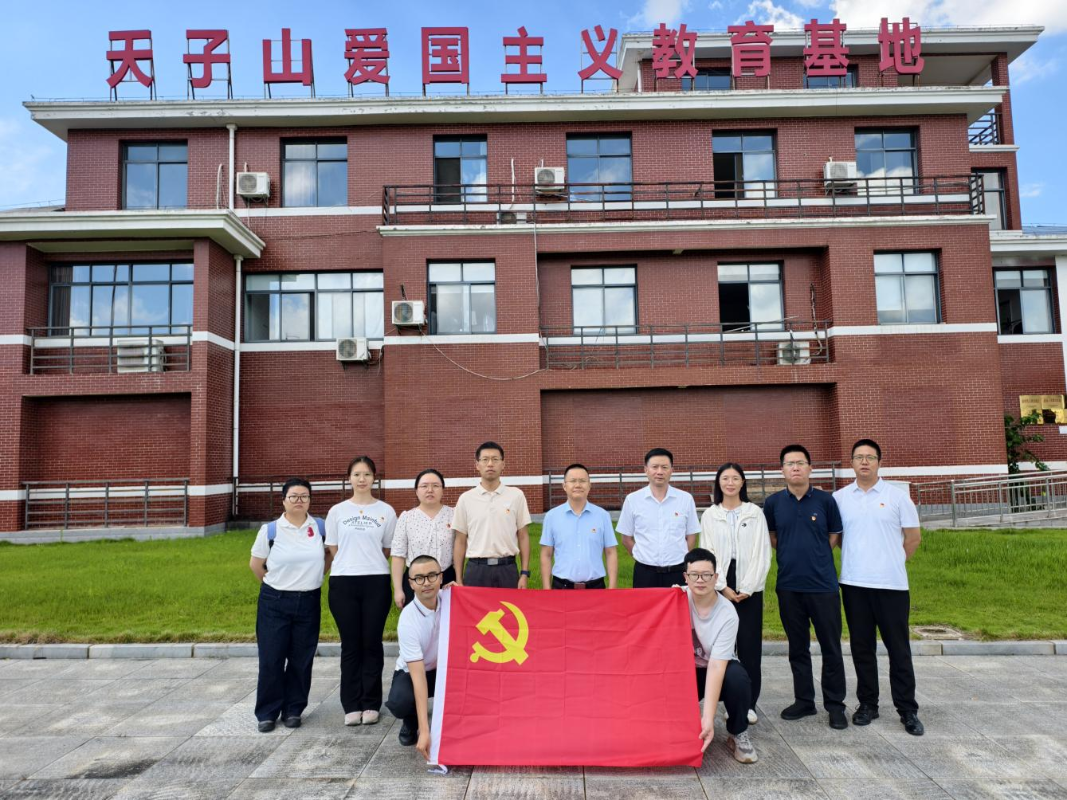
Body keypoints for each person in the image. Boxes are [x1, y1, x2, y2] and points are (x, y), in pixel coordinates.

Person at [834, 439, 924, 736]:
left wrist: (893, 560)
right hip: (854, 584)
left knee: (899, 649)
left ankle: (907, 710)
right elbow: (838, 539)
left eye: (870, 457)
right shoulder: (840, 498)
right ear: (851, 463)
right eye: (859, 457)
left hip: (891, 586)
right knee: (862, 648)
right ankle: (867, 704)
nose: (864, 462)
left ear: (879, 462)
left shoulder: (897, 497)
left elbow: (912, 538)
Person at [763, 444, 848, 729]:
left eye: (800, 463)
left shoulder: (826, 501)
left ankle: (835, 705)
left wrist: (816, 554)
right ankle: (804, 701)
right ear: (782, 470)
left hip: (823, 586)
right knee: (797, 647)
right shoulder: (773, 503)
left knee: (830, 647)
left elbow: (834, 535)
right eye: (790, 463)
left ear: (810, 468)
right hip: (789, 586)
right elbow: (773, 538)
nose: (796, 467)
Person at [249, 477, 330, 733]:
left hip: (308, 600)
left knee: (301, 658)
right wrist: (277, 584)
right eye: (293, 496)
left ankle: (294, 709)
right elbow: (256, 565)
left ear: (310, 500)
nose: (299, 501)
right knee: (271, 658)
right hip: (275, 601)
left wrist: (314, 577)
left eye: (304, 496)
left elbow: (328, 557)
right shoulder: (271, 530)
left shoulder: (320, 527)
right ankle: (267, 712)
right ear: (283, 500)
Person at [325, 456, 397, 727]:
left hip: (376, 581)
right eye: (357, 474)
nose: (362, 479)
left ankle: (371, 703)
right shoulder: (337, 511)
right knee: (351, 644)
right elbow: (333, 548)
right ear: (350, 478)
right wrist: (351, 563)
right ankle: (351, 703)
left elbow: (387, 548)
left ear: (374, 478)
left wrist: (368, 562)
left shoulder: (386, 511)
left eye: (367, 474)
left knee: (372, 643)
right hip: (344, 582)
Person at [699, 462, 771, 725]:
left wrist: (748, 588)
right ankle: (729, 700)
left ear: (743, 482)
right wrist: (722, 587)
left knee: (750, 647)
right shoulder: (710, 515)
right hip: (719, 583)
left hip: (749, 583)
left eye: (735, 478)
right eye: (725, 478)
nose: (730, 483)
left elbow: (762, 552)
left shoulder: (755, 513)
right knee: (722, 646)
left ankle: (748, 704)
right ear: (719, 483)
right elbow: (707, 551)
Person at [679, 548, 758, 764]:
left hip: (716, 668)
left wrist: (708, 718)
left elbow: (716, 666)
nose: (700, 580)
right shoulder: (676, 598)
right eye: (694, 575)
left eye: (706, 575)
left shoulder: (727, 613)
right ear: (686, 577)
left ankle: (738, 731)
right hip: (685, 670)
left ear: (716, 578)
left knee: (738, 679)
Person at [385, 554, 448, 760]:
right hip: (415, 672)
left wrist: (460, 590)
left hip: (444, 669)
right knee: (400, 702)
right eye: (419, 578)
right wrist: (425, 730)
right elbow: (418, 677)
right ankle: (410, 722)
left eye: (432, 575)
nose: (426, 583)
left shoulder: (450, 600)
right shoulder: (408, 620)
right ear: (411, 583)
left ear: (441, 577)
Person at [452, 441, 532, 588]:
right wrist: (459, 578)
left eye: (495, 459)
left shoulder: (516, 495)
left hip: (507, 569)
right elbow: (460, 541)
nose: (490, 464)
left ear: (503, 464)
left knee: (509, 604)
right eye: (485, 459)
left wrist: (524, 573)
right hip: (476, 570)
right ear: (477, 465)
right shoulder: (466, 499)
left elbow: (523, 536)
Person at [617, 447, 700, 588]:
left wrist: (681, 557)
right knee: (644, 603)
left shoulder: (685, 499)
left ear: (672, 470)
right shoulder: (633, 500)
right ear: (646, 470)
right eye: (655, 467)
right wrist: (641, 556)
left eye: (664, 467)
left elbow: (692, 535)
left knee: (678, 603)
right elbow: (626, 538)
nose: (659, 472)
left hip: (677, 571)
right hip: (645, 573)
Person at [540, 463, 618, 589]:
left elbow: (610, 552)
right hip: (562, 587)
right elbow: (546, 554)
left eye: (582, 481)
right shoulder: (552, 516)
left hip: (595, 587)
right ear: (564, 486)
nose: (578, 485)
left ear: (589, 486)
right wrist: (546, 588)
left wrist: (612, 587)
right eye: (572, 481)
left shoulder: (602, 516)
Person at [390, 469, 456, 609]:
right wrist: (398, 589)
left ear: (443, 490)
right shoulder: (407, 518)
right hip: (416, 580)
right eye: (424, 486)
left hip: (447, 579)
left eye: (435, 486)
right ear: (416, 491)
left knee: (446, 620)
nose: (430, 490)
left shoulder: (454, 515)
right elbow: (398, 555)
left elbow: (460, 550)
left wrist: (459, 580)